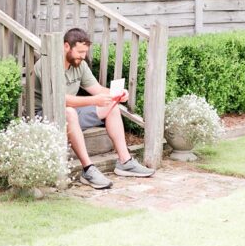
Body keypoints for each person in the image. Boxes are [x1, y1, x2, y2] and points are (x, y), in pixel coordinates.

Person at [34, 26, 155, 189]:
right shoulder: (47, 64)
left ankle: (125, 162)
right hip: (44, 115)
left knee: (112, 106)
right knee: (69, 112)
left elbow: (97, 90)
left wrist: (116, 94)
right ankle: (88, 169)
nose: (83, 57)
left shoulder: (79, 65)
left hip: (71, 113)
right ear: (66, 46)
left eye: (85, 52)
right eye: (80, 52)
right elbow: (59, 100)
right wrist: (94, 100)